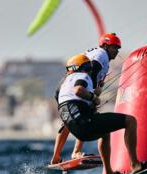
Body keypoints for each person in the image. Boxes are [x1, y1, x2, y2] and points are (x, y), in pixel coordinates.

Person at [56, 53, 144, 174]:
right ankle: (135, 164)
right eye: (88, 67)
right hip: (85, 124)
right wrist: (94, 98)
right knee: (130, 121)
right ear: (83, 68)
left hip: (75, 130)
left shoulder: (63, 87)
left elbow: (66, 112)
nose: (90, 70)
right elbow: (78, 90)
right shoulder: (83, 76)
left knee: (105, 131)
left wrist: (56, 156)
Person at [51, 33, 121, 164]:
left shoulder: (98, 53)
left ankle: (56, 157)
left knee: (67, 121)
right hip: (76, 88)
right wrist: (93, 94)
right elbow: (92, 71)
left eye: (118, 49)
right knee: (86, 115)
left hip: (64, 89)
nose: (117, 51)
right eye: (114, 47)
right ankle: (76, 152)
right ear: (105, 46)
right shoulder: (101, 55)